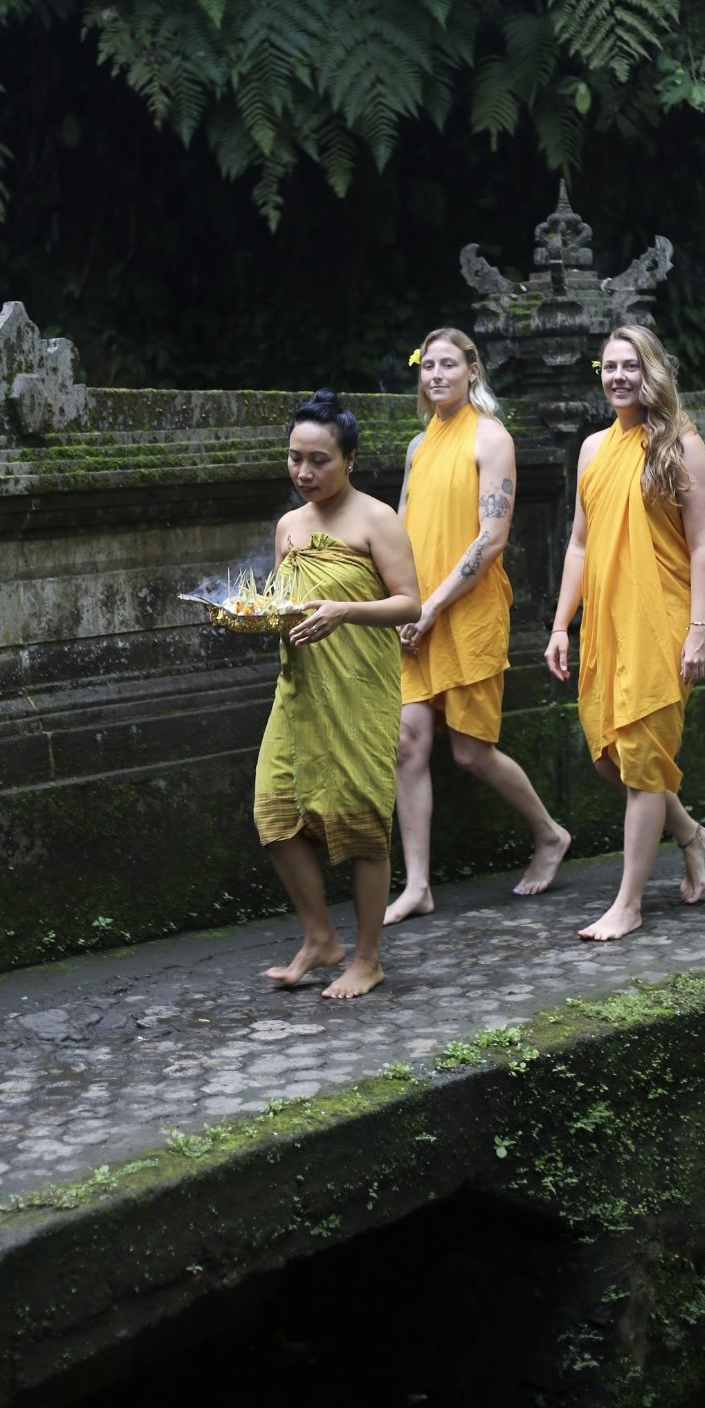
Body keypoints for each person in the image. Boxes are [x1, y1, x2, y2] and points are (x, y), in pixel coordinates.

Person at [383, 328, 570, 926]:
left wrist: (432, 606)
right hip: (417, 609)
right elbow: (401, 527)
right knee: (408, 742)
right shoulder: (419, 446)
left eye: (448, 365)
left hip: (465, 612)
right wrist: (398, 602)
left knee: (469, 752)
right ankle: (417, 885)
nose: (436, 374)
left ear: (472, 371)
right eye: (428, 365)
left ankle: (549, 834)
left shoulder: (490, 438)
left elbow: (491, 539)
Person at [545, 325, 705, 941]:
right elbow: (579, 546)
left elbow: (702, 546)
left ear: (654, 372)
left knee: (643, 761)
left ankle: (629, 903)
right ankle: (692, 835)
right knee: (611, 756)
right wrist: (562, 623)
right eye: (610, 366)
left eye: (631, 367)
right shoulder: (594, 449)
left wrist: (698, 630)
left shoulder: (682, 445)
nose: (618, 377)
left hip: (664, 619)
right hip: (609, 620)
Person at [254, 389, 421, 998]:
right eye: (295, 458)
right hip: (298, 689)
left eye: (319, 460)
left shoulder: (377, 519)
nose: (304, 472)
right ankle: (321, 938)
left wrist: (344, 610)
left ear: (349, 458)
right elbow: (281, 603)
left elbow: (410, 602)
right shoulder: (289, 526)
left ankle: (369, 958)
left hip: (359, 689)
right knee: (273, 814)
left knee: (360, 823)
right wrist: (253, 617)